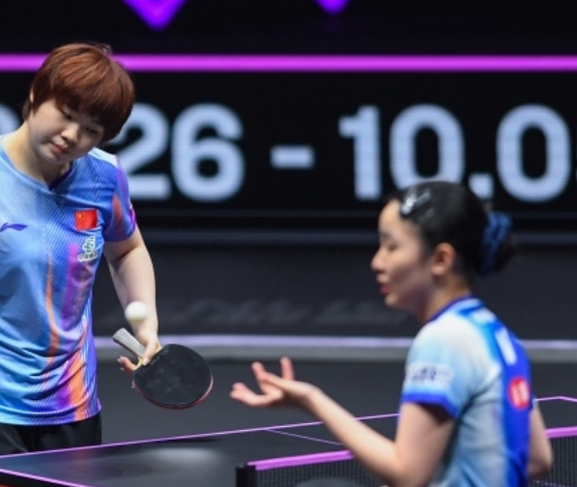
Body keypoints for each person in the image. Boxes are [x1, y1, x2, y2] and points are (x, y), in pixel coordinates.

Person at [0, 42, 160, 487]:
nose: (72, 135)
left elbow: (127, 249)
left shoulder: (104, 177)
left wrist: (146, 326)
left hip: (73, 406)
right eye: (66, 114)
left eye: (91, 129)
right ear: (37, 95)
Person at [231, 181, 553, 487]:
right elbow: (537, 457)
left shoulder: (443, 340)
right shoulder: (496, 334)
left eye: (391, 246)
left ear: (441, 259)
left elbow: (407, 476)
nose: (377, 262)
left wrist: (311, 400)